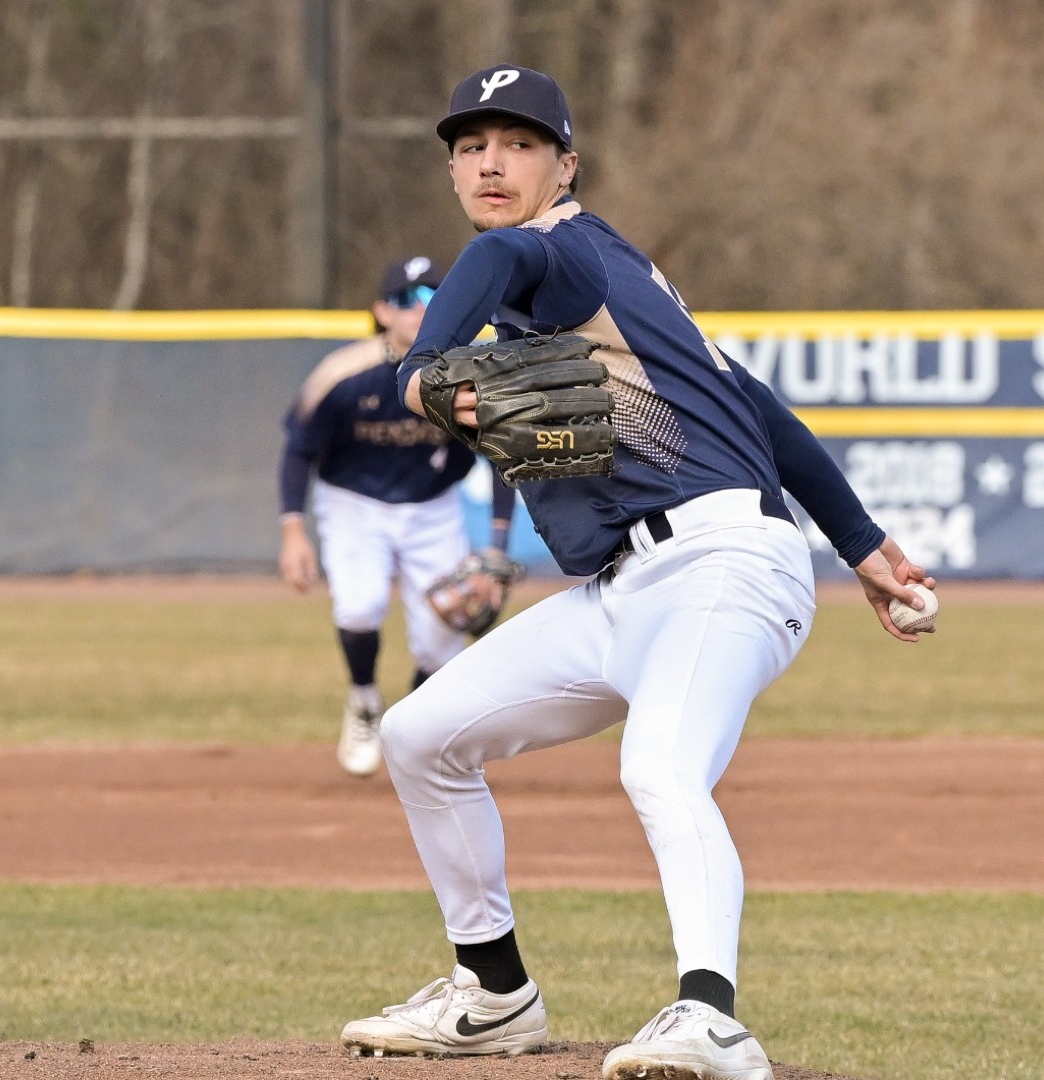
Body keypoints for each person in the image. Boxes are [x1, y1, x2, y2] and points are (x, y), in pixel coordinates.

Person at [336, 66, 934, 1080]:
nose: (491, 160)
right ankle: (492, 993)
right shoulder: (624, 290)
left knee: (658, 768)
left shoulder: (558, 251)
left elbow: (501, 252)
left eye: (518, 142)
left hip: (723, 564)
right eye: (471, 145)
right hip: (624, 589)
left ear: (564, 165)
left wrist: (416, 367)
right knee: (418, 733)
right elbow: (762, 413)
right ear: (449, 167)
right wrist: (865, 546)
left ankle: (711, 1018)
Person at [278, 256, 518, 779]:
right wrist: (293, 530)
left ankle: (407, 730)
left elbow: (503, 459)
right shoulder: (343, 374)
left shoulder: (463, 375)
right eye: (409, 299)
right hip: (353, 503)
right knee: (360, 607)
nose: (422, 310)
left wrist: (497, 545)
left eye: (435, 296)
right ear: (383, 311)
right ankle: (364, 701)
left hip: (431, 505)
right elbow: (299, 450)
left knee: (441, 638)